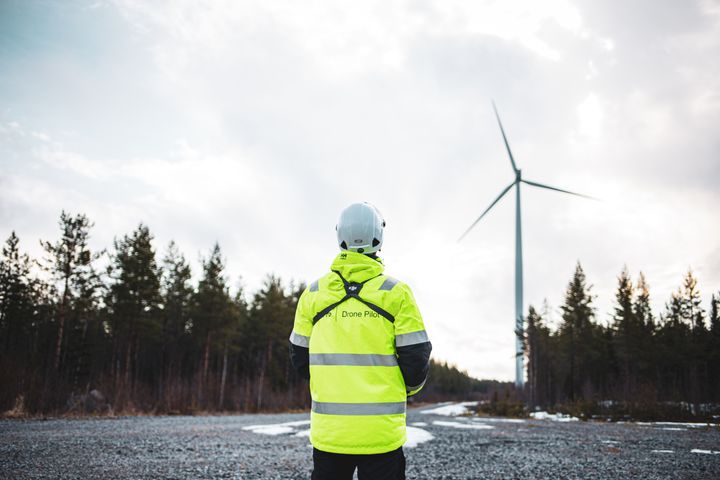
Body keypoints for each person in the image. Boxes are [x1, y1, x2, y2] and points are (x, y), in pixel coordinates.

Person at [289, 202, 432, 480]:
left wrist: (330, 385)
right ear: (379, 236)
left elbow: (299, 359)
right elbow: (416, 358)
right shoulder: (396, 293)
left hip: (329, 434)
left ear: (339, 235)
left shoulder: (314, 294)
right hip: (381, 435)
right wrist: (407, 391)